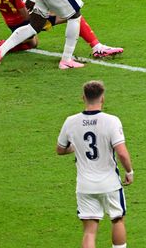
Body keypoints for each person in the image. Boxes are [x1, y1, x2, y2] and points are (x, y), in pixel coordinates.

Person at [57, 80, 134, 248]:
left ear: (83, 97)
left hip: (85, 185)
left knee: (90, 230)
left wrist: (76, 147)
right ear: (103, 98)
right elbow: (121, 151)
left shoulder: (70, 121)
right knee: (117, 219)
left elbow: (60, 149)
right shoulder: (111, 121)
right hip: (110, 184)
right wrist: (129, 171)